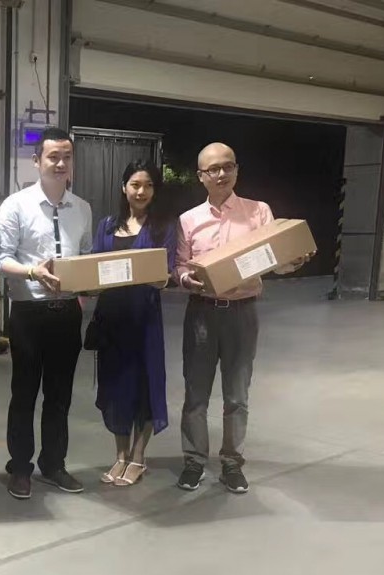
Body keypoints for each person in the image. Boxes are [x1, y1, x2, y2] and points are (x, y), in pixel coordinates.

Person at [175, 142, 313, 494]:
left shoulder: (258, 212)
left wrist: (293, 260)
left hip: (242, 312)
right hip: (202, 314)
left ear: (236, 169)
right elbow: (180, 266)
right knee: (195, 393)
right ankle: (194, 461)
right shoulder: (189, 220)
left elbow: (275, 259)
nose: (221, 174)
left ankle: (232, 463)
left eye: (228, 166)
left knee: (237, 395)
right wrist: (185, 279)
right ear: (201, 176)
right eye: (213, 169)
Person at [0, 126, 93, 500]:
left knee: (59, 395)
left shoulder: (81, 208)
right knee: (24, 393)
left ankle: (53, 464)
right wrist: (33, 272)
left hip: (67, 313)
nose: (61, 163)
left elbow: (85, 256)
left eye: (67, 157)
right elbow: (2, 259)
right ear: (37, 161)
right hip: (28, 313)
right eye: (53, 156)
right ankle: (20, 468)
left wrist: (86, 287)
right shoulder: (15, 205)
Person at [89, 161, 178, 487]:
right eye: (136, 185)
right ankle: (120, 455)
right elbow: (94, 266)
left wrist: (157, 277)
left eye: (149, 185)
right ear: (124, 187)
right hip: (112, 320)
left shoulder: (163, 227)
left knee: (145, 386)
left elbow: (167, 273)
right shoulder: (107, 225)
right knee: (116, 388)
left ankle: (138, 457)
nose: (141, 192)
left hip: (144, 320)